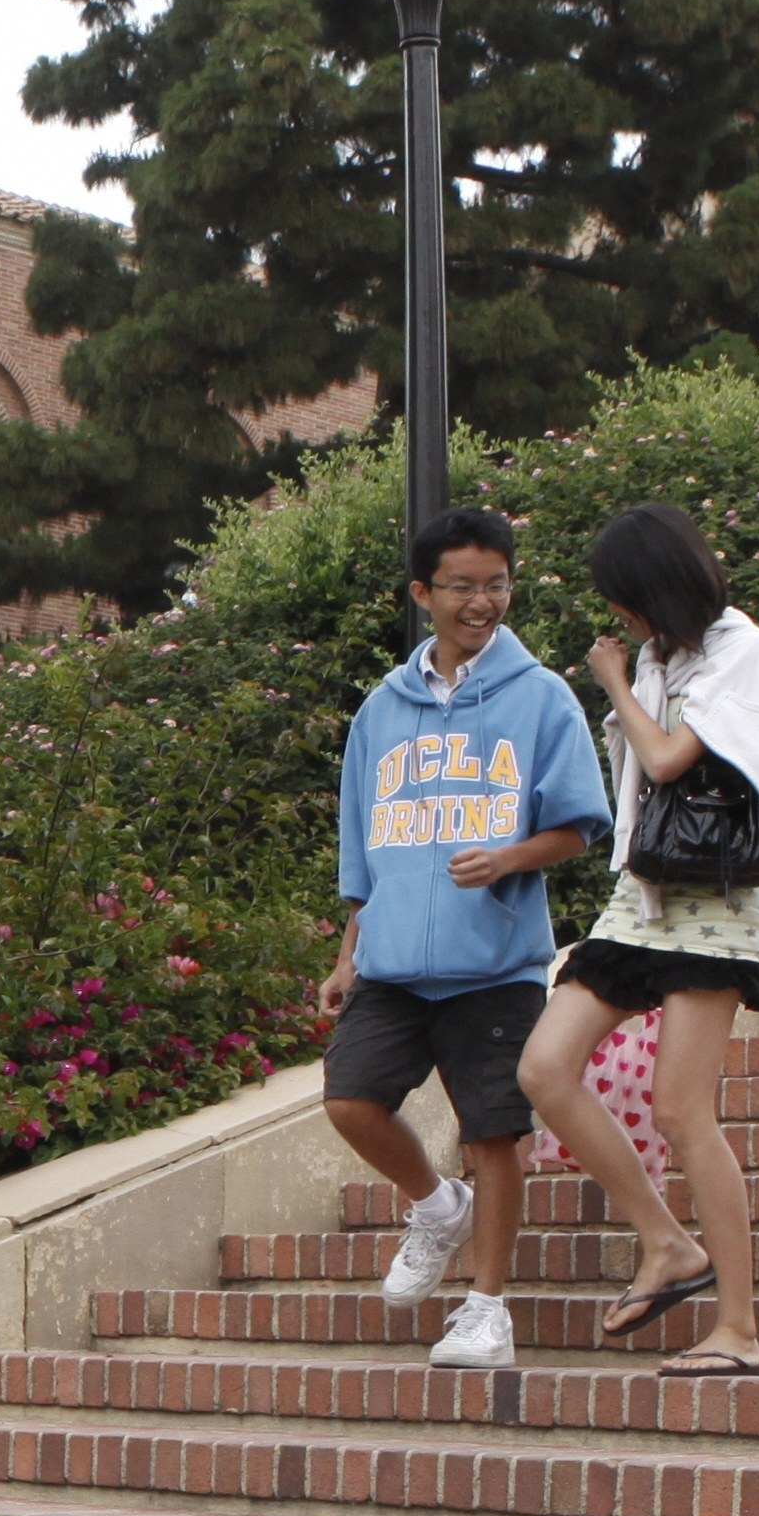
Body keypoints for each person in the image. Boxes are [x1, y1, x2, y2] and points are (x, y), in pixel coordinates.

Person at [518, 501, 759, 1377]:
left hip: (715, 900)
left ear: (657, 588)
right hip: (641, 895)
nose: (621, 620)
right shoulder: (664, 654)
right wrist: (634, 671)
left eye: (626, 600)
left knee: (682, 1110)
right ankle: (664, 1241)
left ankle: (738, 1329)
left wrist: (614, 685)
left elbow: (664, 762)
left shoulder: (740, 652)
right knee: (543, 1067)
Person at [317, 504, 613, 1371]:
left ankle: (486, 1311)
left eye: (496, 585)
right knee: (349, 1098)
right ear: (422, 593)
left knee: (493, 1138)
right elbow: (364, 846)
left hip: (496, 964)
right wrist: (346, 953)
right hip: (395, 960)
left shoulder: (540, 698)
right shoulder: (381, 709)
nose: (480, 602)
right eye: (461, 586)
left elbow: (578, 826)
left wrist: (510, 857)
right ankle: (433, 1205)